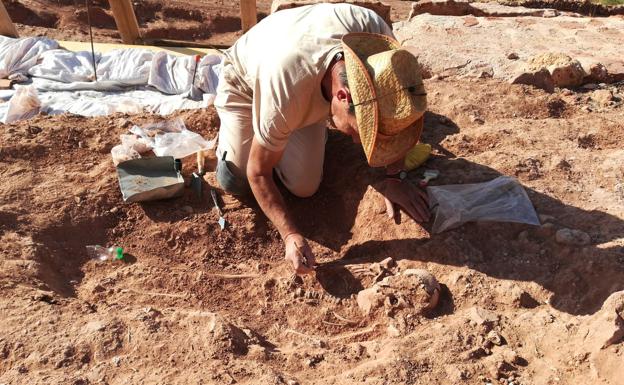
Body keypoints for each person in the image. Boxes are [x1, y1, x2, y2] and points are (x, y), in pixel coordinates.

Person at [214, 3, 429, 274]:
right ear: (343, 96)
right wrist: (290, 234)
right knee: (236, 179)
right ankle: (235, 140)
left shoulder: (376, 40)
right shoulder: (285, 89)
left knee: (305, 187)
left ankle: (285, 133)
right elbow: (259, 172)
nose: (356, 143)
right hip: (245, 83)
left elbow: (393, 105)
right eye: (358, 131)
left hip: (302, 84)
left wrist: (394, 175)